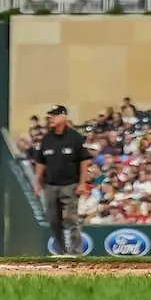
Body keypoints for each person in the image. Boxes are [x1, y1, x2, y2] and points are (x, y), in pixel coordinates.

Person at [30, 104, 88, 257]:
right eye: (50, 116)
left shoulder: (74, 137)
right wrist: (37, 183)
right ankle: (61, 251)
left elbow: (83, 161)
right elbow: (41, 162)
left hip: (70, 184)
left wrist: (82, 182)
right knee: (54, 220)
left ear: (64, 117)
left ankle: (76, 252)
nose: (51, 119)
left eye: (55, 116)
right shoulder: (47, 139)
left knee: (70, 218)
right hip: (50, 185)